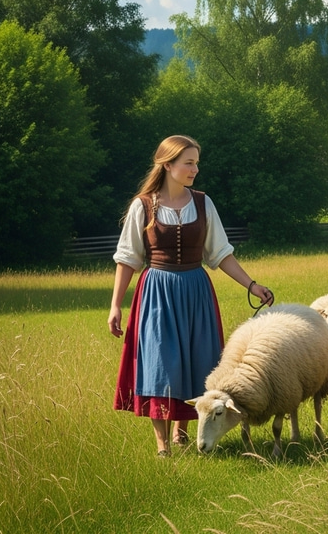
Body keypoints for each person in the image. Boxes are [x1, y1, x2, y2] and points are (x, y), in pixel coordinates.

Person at [108, 134, 273, 456]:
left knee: (199, 360)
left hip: (196, 290)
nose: (195, 169)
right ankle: (162, 445)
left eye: (196, 162)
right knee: (161, 363)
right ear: (168, 165)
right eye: (189, 162)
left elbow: (220, 253)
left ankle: (184, 433)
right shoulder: (142, 206)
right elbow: (127, 258)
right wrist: (115, 305)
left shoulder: (203, 202)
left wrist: (251, 285)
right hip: (157, 292)